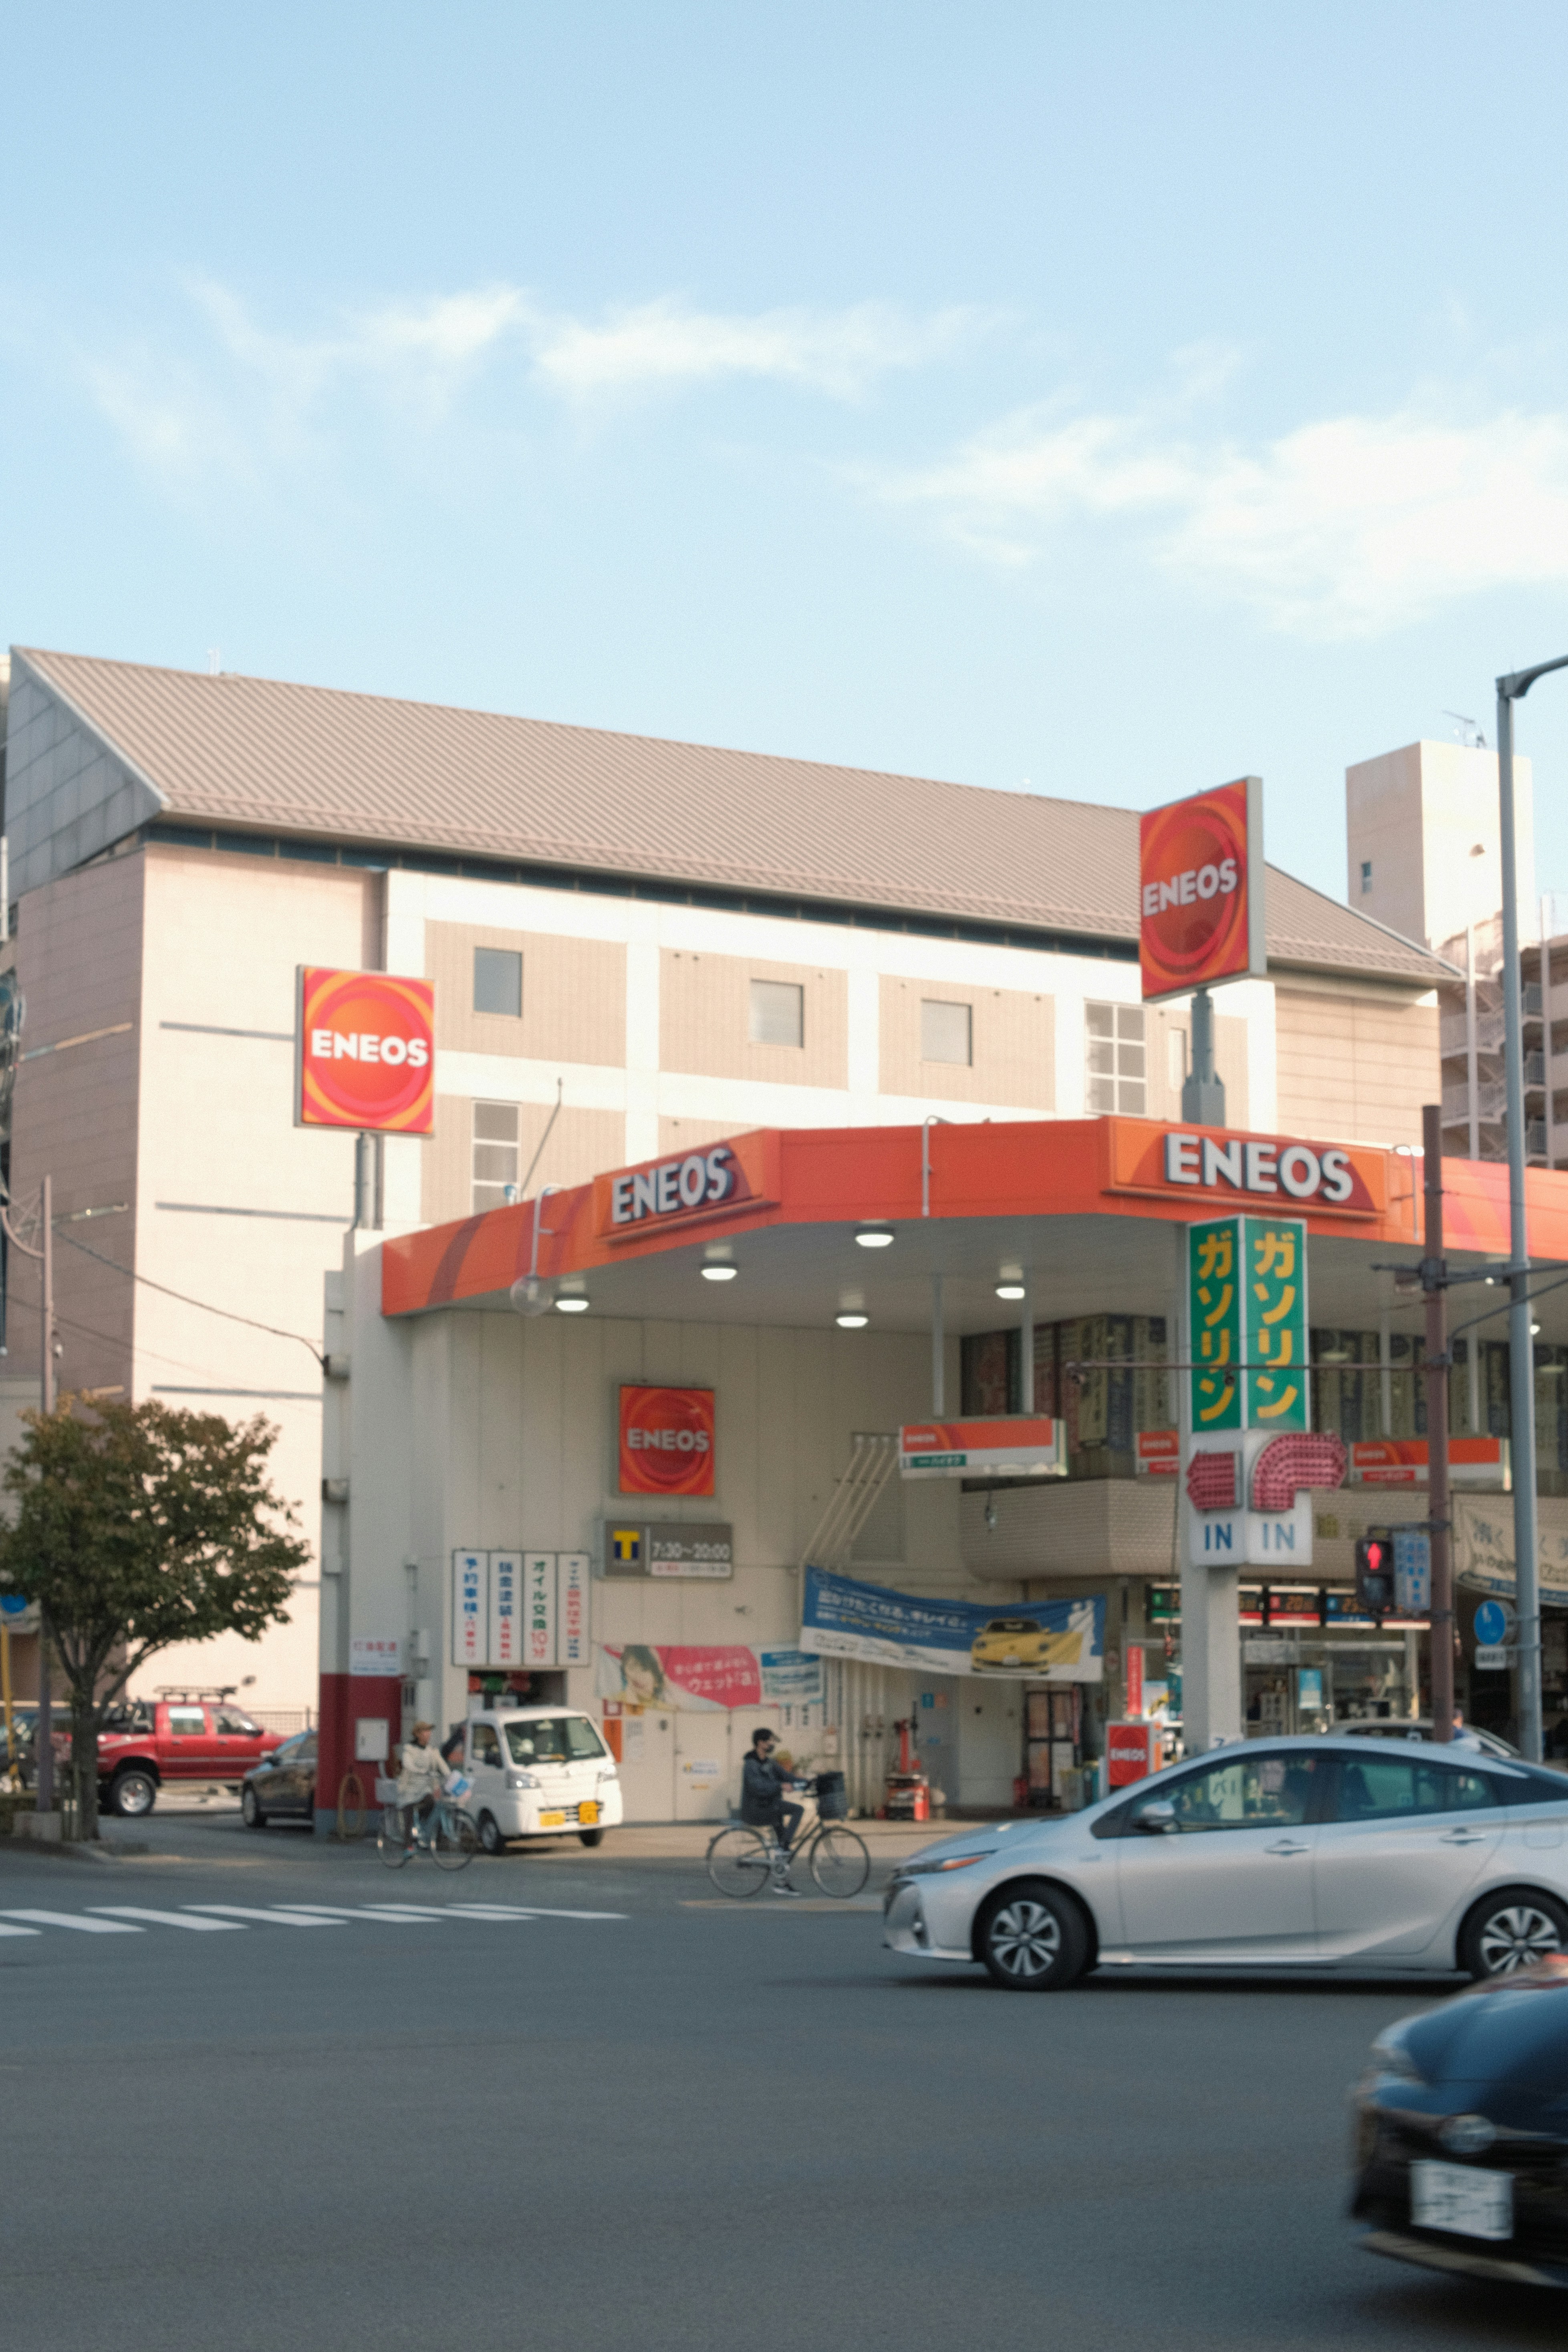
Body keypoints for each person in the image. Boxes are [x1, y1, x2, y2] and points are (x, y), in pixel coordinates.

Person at [740, 1727, 804, 1894]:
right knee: (798, 1810)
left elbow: (787, 1777)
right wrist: (780, 1785)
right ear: (760, 1743)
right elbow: (757, 1787)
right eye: (770, 1741)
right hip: (758, 1808)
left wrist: (807, 1782)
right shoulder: (751, 1764)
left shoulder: (770, 1763)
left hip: (771, 1807)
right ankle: (783, 1848)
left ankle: (782, 1884)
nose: (772, 1744)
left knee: (785, 1846)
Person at [397, 1718, 448, 1842]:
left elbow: (443, 1766)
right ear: (418, 1734)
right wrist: (420, 1771)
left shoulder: (432, 1751)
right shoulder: (409, 1749)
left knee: (433, 1802)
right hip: (409, 1788)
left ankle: (421, 1828)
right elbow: (407, 1764)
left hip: (425, 1788)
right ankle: (408, 1845)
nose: (429, 1733)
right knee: (408, 1811)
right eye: (426, 1731)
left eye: (429, 1731)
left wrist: (451, 1777)